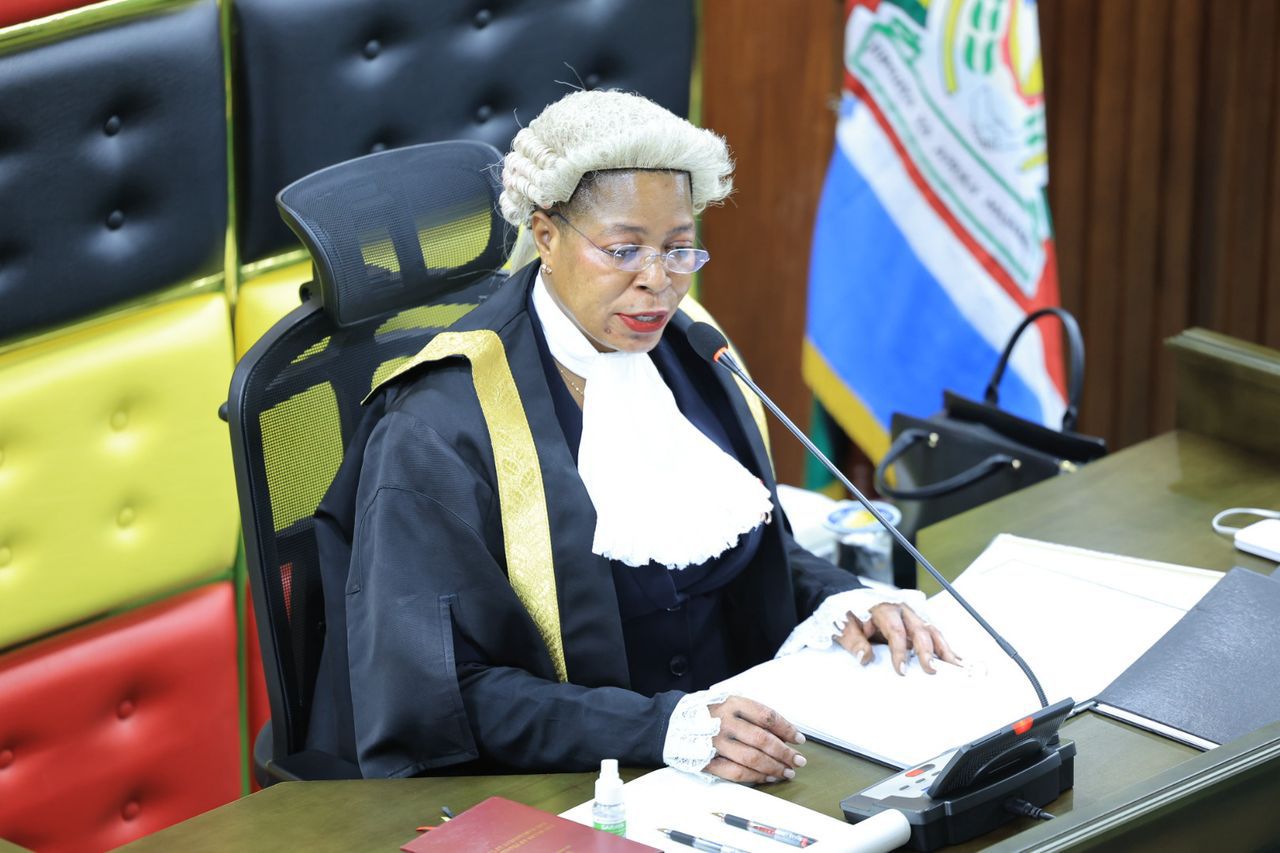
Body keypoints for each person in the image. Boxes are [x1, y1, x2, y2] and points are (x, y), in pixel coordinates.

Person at [306, 89, 958, 783]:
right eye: (623, 249)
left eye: (679, 249)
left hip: (740, 751)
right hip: (559, 787)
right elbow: (438, 697)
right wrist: (660, 730)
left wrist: (842, 599)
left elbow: (736, 557)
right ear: (546, 236)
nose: (658, 282)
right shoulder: (436, 426)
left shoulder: (691, 355)